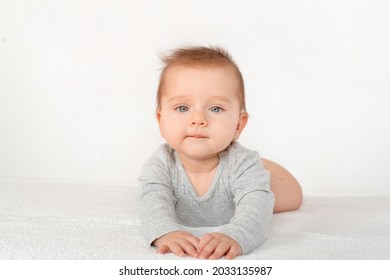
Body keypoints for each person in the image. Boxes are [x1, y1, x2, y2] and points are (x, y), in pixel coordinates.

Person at [138, 46, 303, 260]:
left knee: (290, 197)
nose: (198, 119)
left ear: (238, 125)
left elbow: (256, 209)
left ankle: (264, 169)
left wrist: (236, 235)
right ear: (161, 121)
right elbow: (151, 202)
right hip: (241, 170)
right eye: (182, 108)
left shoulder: (242, 165)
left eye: (215, 108)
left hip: (249, 175)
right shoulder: (160, 165)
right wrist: (166, 231)